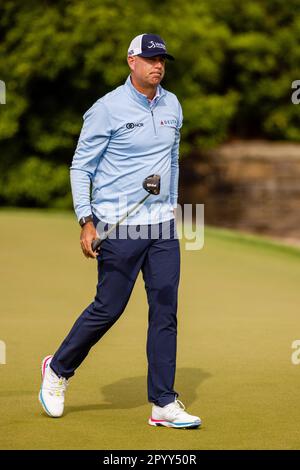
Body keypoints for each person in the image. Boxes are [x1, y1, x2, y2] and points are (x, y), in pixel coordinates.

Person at [39, 33, 201, 429]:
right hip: (117, 225)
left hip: (162, 225)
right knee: (109, 308)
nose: (157, 65)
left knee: (165, 309)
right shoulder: (106, 108)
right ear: (131, 61)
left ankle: (163, 402)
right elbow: (81, 167)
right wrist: (85, 220)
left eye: (162, 59)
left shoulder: (172, 104)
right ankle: (58, 369)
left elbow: (172, 161)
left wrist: (173, 206)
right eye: (149, 59)